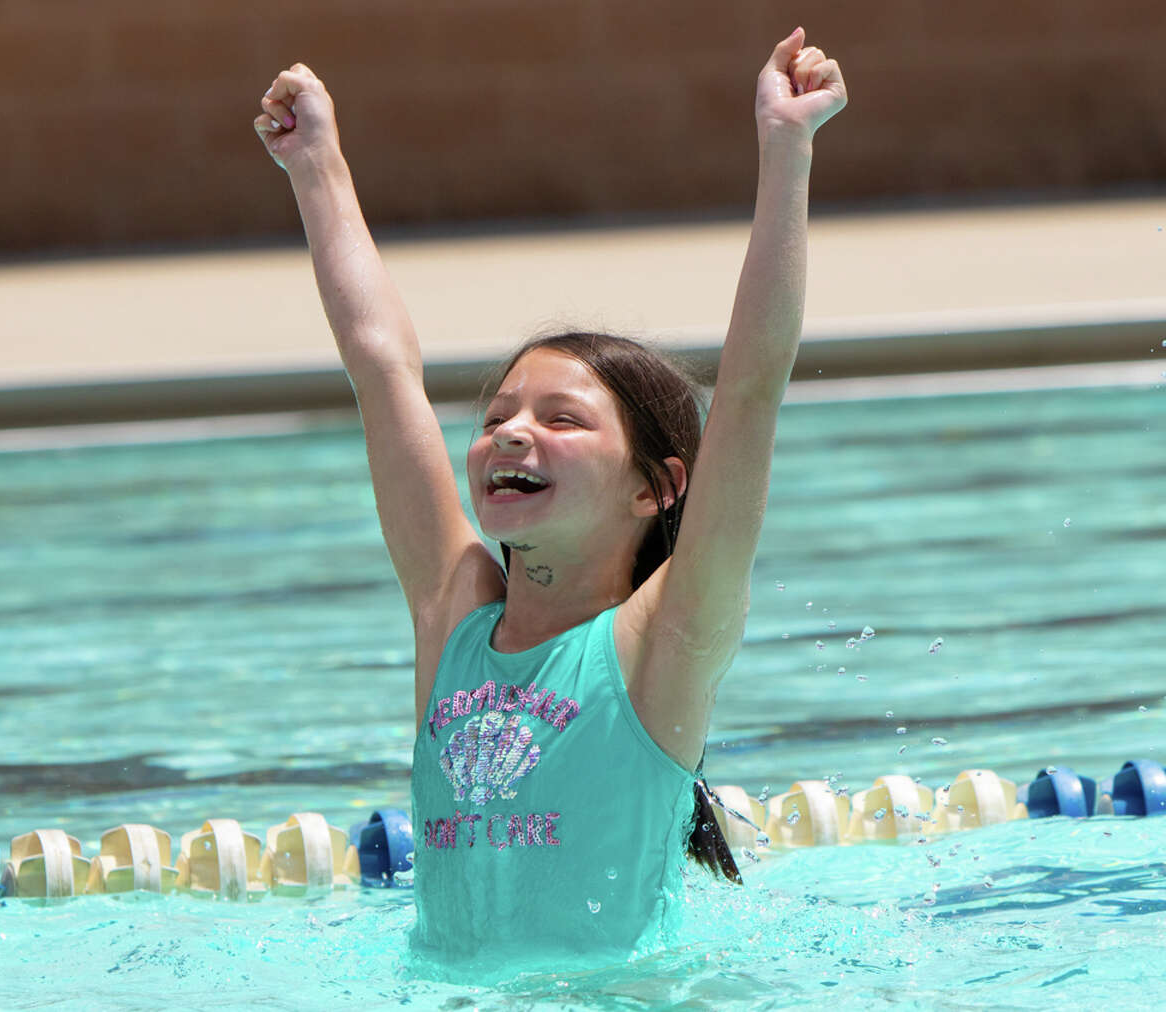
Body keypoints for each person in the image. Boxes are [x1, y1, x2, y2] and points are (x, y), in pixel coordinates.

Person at [255, 27, 846, 967]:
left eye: (563, 420)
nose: (512, 433)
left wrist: (788, 153)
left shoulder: (665, 643)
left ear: (657, 487)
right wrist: (317, 169)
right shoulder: (451, 615)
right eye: (497, 416)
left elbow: (752, 387)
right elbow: (383, 371)